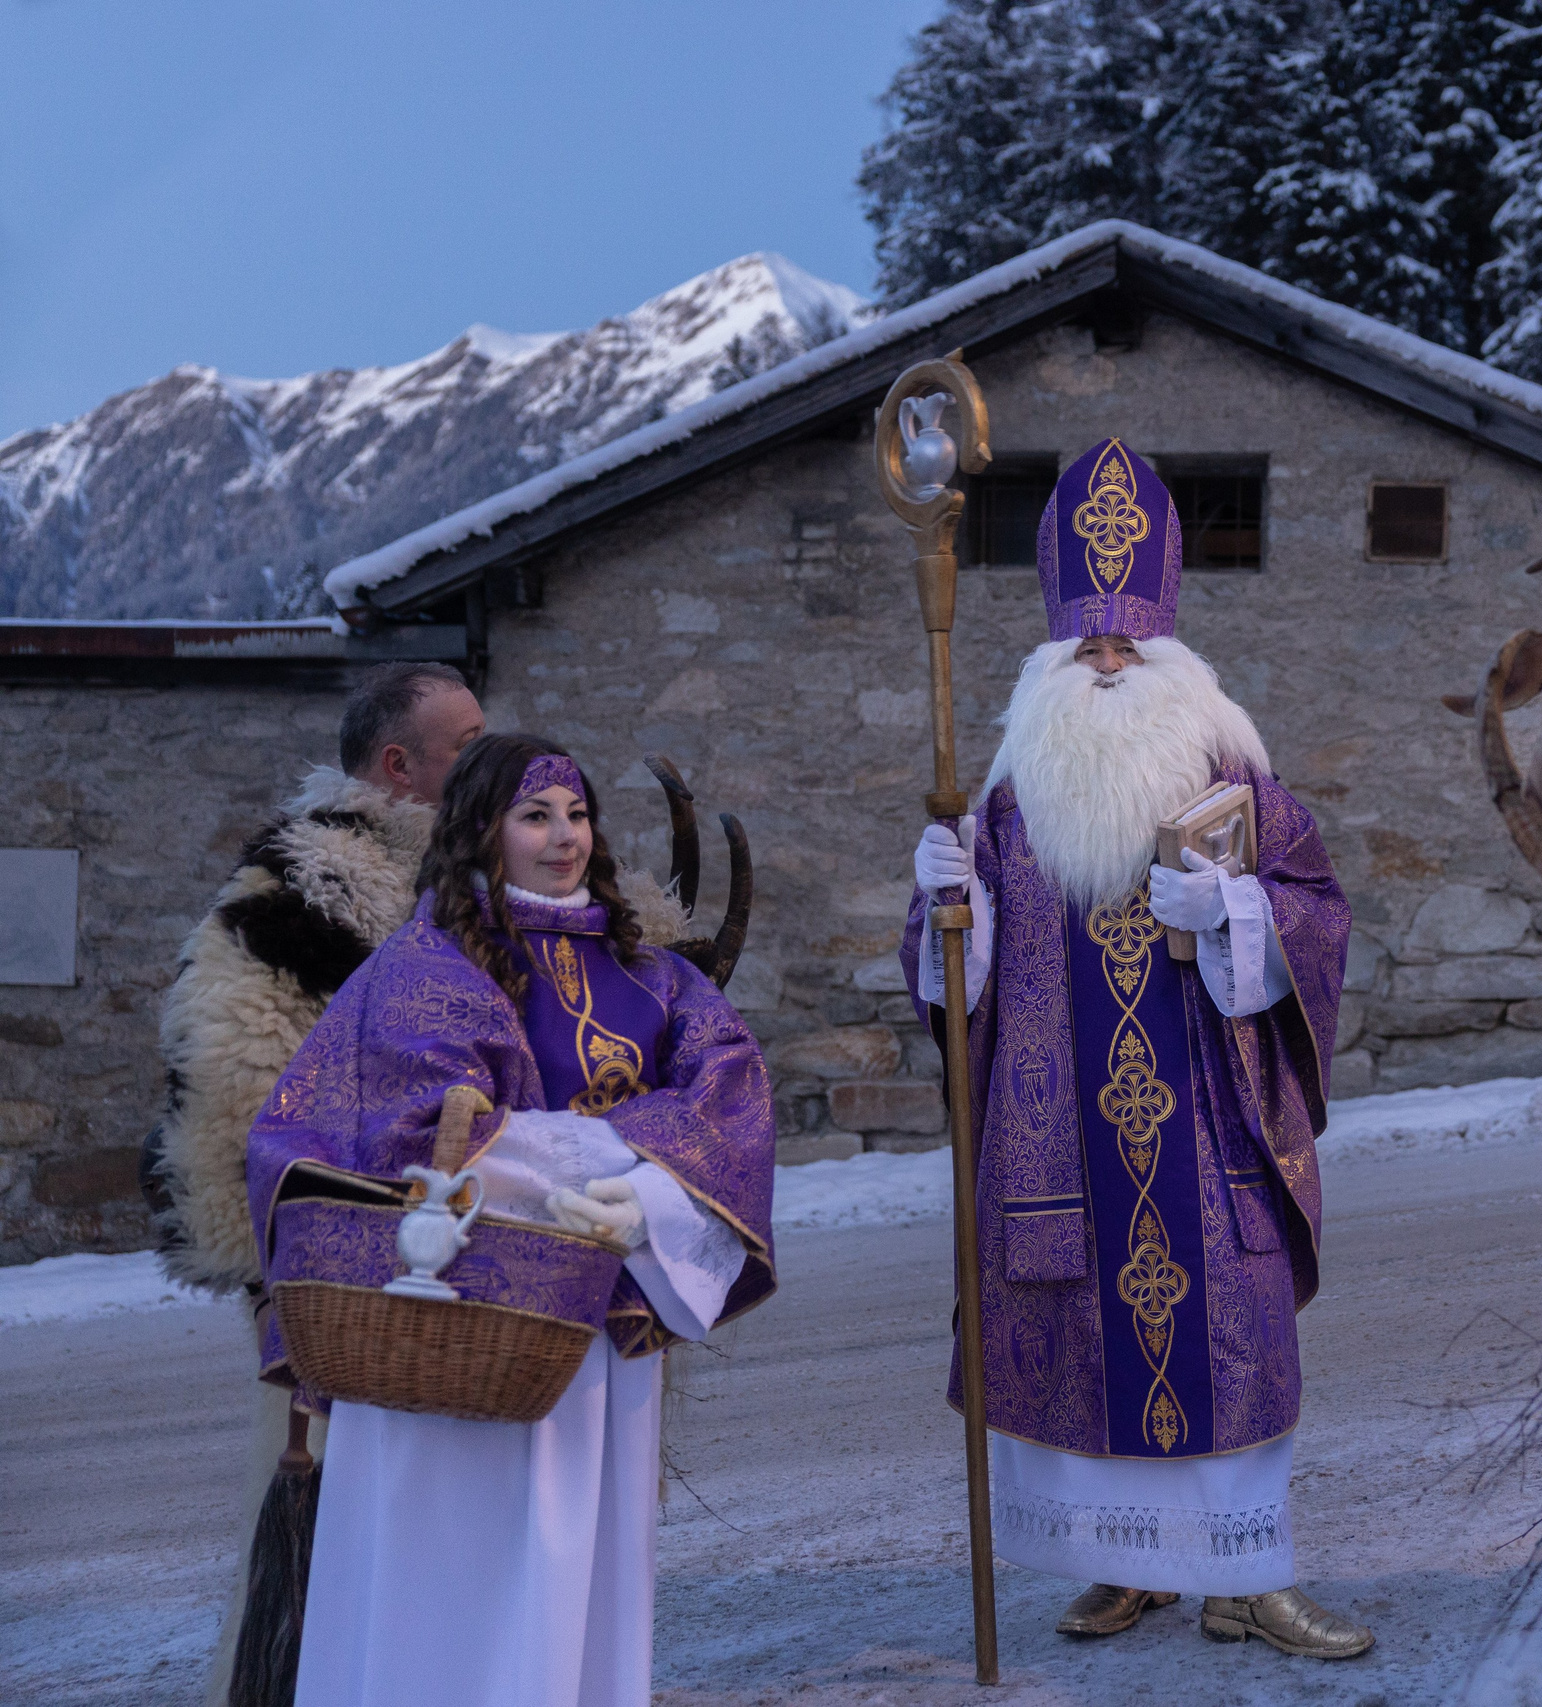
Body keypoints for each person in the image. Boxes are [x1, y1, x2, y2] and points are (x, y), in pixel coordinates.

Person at [900, 439, 1371, 1659]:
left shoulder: (1239, 789)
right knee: (1073, 1344)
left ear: (1173, 662)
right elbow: (960, 992)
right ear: (1052, 662)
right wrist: (949, 908)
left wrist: (1243, 917)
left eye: (1128, 648)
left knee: (1237, 1331)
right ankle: (1125, 1571)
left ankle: (1244, 1578)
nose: (1107, 665)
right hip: (1060, 1142)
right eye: (1086, 649)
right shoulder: (1005, 809)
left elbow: (1320, 916)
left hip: (1209, 1126)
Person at [245, 734, 776, 1707]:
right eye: (536, 816)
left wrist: (651, 1199)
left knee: (579, 1563)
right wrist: (623, 1153)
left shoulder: (654, 977)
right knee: (452, 1575)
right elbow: (422, 1134)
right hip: (448, 1324)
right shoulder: (421, 969)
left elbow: (729, 1101)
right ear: (481, 832)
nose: (564, 836)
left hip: (597, 1337)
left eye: (576, 814)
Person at [151, 660, 482, 1707]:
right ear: (400, 765)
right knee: (336, 1531)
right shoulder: (308, 888)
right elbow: (235, 1077)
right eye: (467, 744)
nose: (491, 757)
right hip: (349, 1280)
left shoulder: (461, 878)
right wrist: (312, 1254)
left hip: (462, 1264)